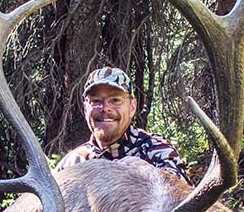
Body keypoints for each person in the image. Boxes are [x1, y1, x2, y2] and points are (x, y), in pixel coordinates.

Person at [55, 67, 192, 184]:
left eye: (115, 100)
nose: (105, 108)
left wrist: (150, 175)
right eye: (96, 101)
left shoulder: (156, 150)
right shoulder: (72, 163)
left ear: (132, 107)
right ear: (85, 109)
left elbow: (183, 194)